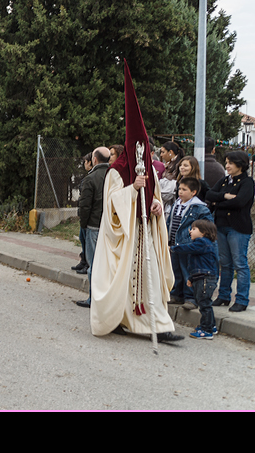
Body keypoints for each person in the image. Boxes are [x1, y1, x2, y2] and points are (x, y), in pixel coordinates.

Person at [90, 60, 183, 342]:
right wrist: (132, 190)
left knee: (149, 278)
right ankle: (121, 320)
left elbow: (153, 198)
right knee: (126, 282)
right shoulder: (117, 172)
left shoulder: (150, 172)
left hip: (146, 233)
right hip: (125, 238)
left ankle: (157, 324)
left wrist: (156, 206)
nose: (144, 155)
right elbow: (111, 207)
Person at [205, 150, 255, 312]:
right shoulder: (225, 180)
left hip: (238, 228)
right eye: (226, 163)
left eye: (230, 163)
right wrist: (225, 197)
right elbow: (210, 194)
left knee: (240, 264)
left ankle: (241, 299)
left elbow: (240, 202)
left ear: (240, 165)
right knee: (225, 264)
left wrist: (218, 202)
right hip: (221, 226)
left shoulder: (247, 182)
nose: (227, 166)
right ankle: (224, 296)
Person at [166, 176, 214, 309]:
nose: (180, 192)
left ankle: (190, 298)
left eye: (184, 189)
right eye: (179, 189)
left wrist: (197, 239)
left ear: (193, 192)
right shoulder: (177, 204)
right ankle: (176, 294)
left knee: (187, 270)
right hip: (174, 243)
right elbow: (170, 221)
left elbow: (207, 226)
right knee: (176, 270)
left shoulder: (199, 208)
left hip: (188, 245)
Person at [171, 220, 220, 339]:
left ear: (203, 232)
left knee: (204, 304)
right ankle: (210, 325)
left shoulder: (202, 242)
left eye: (194, 229)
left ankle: (206, 330)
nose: (190, 231)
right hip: (201, 277)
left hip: (205, 279)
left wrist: (173, 248)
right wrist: (191, 278)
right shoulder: (201, 244)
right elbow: (197, 265)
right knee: (204, 302)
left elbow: (187, 248)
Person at [75, 147, 110, 307]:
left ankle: (93, 298)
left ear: (94, 159)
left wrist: (84, 224)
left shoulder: (92, 178)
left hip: (94, 225)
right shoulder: (114, 176)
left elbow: (85, 205)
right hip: (110, 226)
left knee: (94, 264)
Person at [72, 153, 94, 274]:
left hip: (88, 216)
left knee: (87, 240)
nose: (84, 164)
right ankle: (83, 260)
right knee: (82, 238)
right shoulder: (88, 176)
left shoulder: (91, 177)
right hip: (83, 214)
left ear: (90, 162)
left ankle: (87, 264)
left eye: (85, 162)